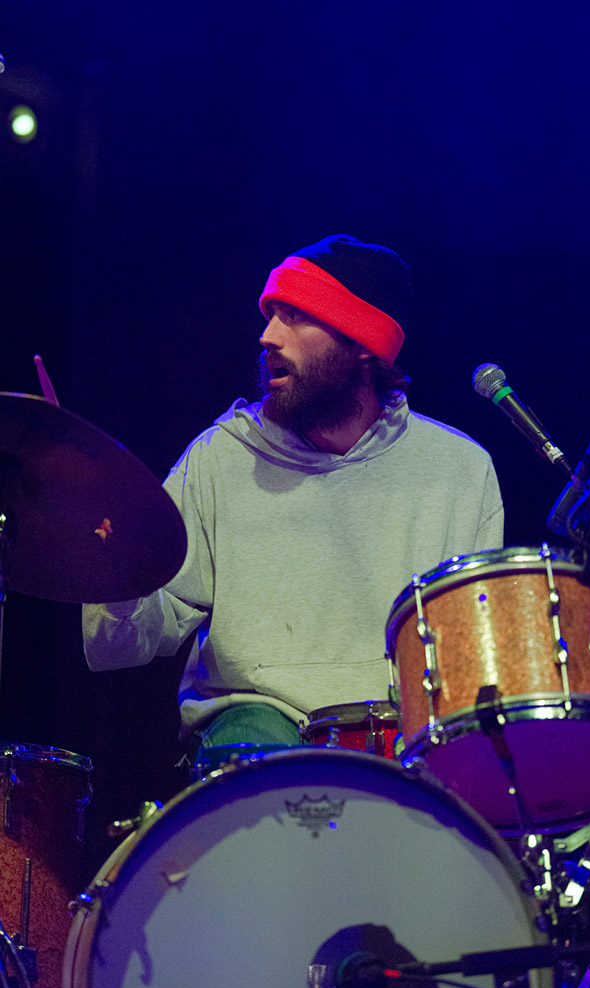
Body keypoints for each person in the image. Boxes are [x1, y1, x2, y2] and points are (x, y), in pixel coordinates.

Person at [82, 234, 504, 764]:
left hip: (401, 735)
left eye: (297, 317)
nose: (267, 336)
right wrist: (121, 575)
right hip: (252, 717)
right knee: (260, 766)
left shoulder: (458, 470)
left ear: (363, 345)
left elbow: (472, 658)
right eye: (270, 314)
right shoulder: (222, 456)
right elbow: (131, 642)